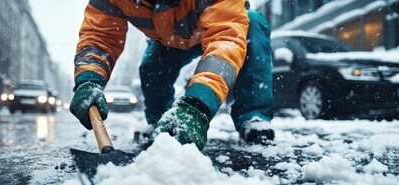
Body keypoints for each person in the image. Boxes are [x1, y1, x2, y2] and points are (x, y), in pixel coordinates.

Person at [70, 0, 275, 151]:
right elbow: (100, 37)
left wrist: (198, 106)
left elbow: (226, 42)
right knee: (151, 68)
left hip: (217, 25)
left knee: (254, 25)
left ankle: (253, 116)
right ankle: (162, 122)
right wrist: (89, 80)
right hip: (168, 39)